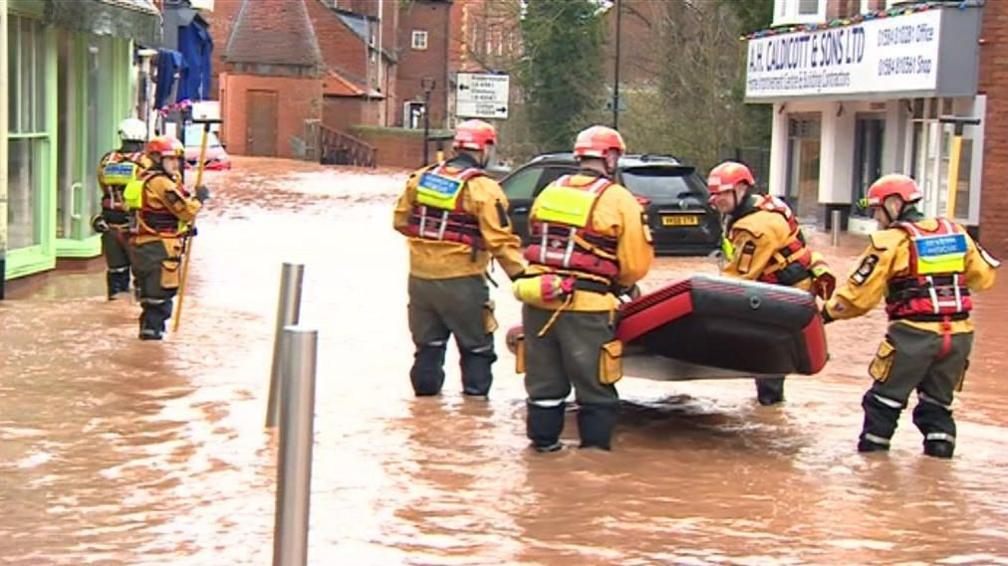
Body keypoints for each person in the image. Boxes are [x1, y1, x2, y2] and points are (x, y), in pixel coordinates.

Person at [823, 174, 999, 458]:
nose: (876, 218)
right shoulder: (955, 232)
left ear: (894, 204)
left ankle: (873, 469)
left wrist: (825, 314)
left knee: (882, 402)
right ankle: (940, 463)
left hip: (913, 336)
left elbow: (858, 297)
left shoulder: (891, 242)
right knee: (937, 405)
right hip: (958, 337)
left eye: (878, 210)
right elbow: (983, 278)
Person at [514, 125, 653, 452]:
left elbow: (533, 237)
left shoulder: (550, 190)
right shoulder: (618, 198)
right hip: (588, 309)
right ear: (611, 157)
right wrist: (625, 285)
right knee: (595, 389)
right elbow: (634, 263)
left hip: (537, 300)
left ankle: (543, 454)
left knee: (544, 387)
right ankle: (593, 462)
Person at [393, 119, 525, 398]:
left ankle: (424, 414)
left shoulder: (422, 178)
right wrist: (523, 278)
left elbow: (400, 221)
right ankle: (475, 414)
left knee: (427, 348)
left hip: (419, 279)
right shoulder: (483, 189)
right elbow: (499, 240)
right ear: (485, 148)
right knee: (477, 349)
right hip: (462, 281)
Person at [706, 161, 835, 405]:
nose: (716, 200)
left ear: (741, 189)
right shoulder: (757, 207)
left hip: (785, 296)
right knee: (766, 353)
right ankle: (771, 402)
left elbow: (739, 277)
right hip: (786, 291)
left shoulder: (756, 227)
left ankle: (770, 407)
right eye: (713, 194)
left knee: (767, 355)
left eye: (721, 193)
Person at [127, 135, 208, 340]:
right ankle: (153, 352)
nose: (175, 164)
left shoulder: (142, 178)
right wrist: (199, 199)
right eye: (170, 159)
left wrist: (182, 230)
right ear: (156, 159)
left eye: (177, 160)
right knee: (159, 303)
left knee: (149, 302)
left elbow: (158, 214)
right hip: (159, 250)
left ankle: (146, 346)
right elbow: (185, 211)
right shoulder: (162, 183)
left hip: (142, 248)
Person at [91, 118, 153, 300]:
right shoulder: (147, 162)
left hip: (110, 224)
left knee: (116, 274)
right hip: (138, 227)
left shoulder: (107, 161)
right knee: (143, 278)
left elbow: (103, 187)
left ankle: (115, 311)